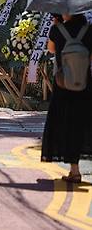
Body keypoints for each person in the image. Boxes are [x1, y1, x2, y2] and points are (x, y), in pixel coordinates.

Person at [41, 13, 92, 182]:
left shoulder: (57, 29)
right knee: (80, 124)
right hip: (84, 84)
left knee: (65, 123)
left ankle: (74, 170)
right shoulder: (89, 30)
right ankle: (75, 169)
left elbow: (51, 49)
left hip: (63, 84)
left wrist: (57, 26)